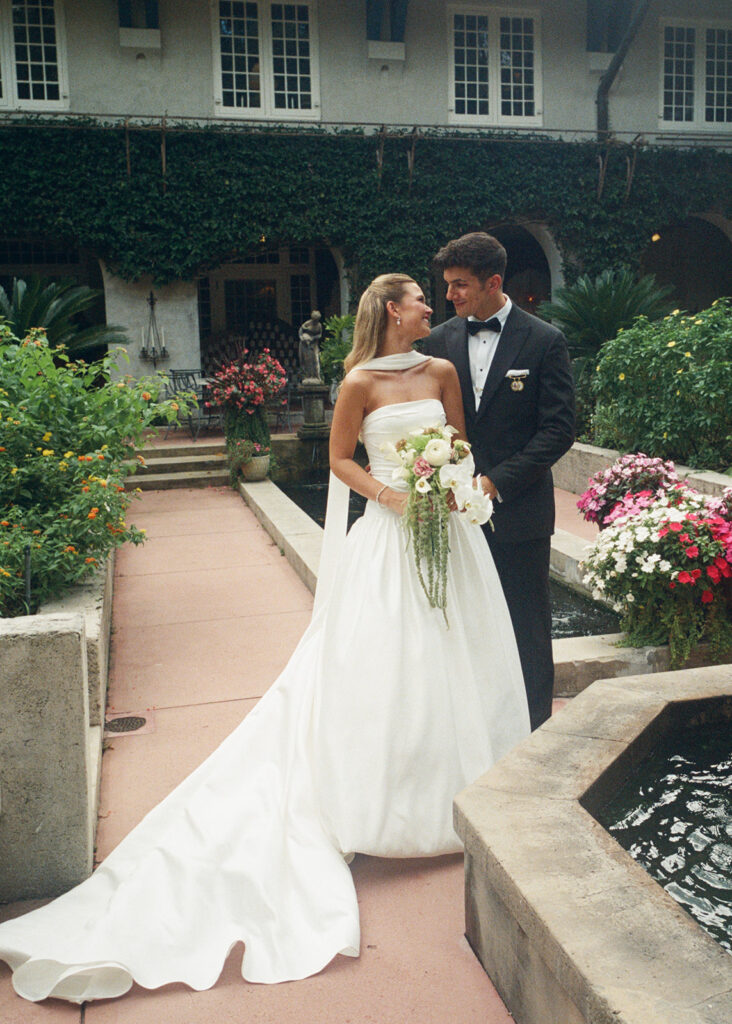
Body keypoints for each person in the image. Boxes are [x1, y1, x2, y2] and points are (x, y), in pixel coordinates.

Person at [0, 274, 530, 1005]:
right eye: (419, 300)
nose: (430, 311)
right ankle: (385, 796)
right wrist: (392, 494)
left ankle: (457, 785)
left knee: (453, 655)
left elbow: (460, 446)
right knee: (386, 666)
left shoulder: (440, 371)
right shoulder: (355, 383)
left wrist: (449, 484)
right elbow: (343, 460)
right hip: (390, 535)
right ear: (389, 310)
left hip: (446, 534)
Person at [423, 233, 575, 731]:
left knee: (527, 627)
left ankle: (533, 733)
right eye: (447, 286)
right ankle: (473, 730)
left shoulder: (545, 340)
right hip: (454, 517)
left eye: (460, 285)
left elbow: (559, 430)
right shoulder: (439, 340)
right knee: (463, 624)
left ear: (493, 282)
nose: (450, 296)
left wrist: (494, 483)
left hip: (520, 513)